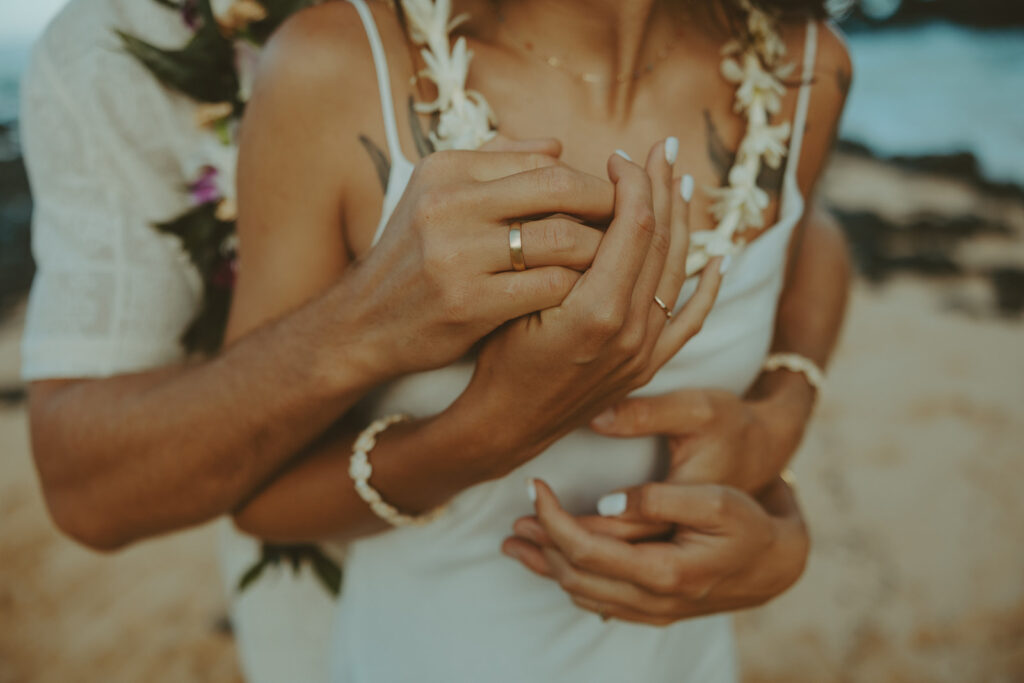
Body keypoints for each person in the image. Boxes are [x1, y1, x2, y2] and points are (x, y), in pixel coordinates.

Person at [19, 0, 849, 681]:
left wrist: (782, 432)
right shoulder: (328, 67)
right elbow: (113, 487)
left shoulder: (801, 70)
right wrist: (479, 417)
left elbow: (805, 242)